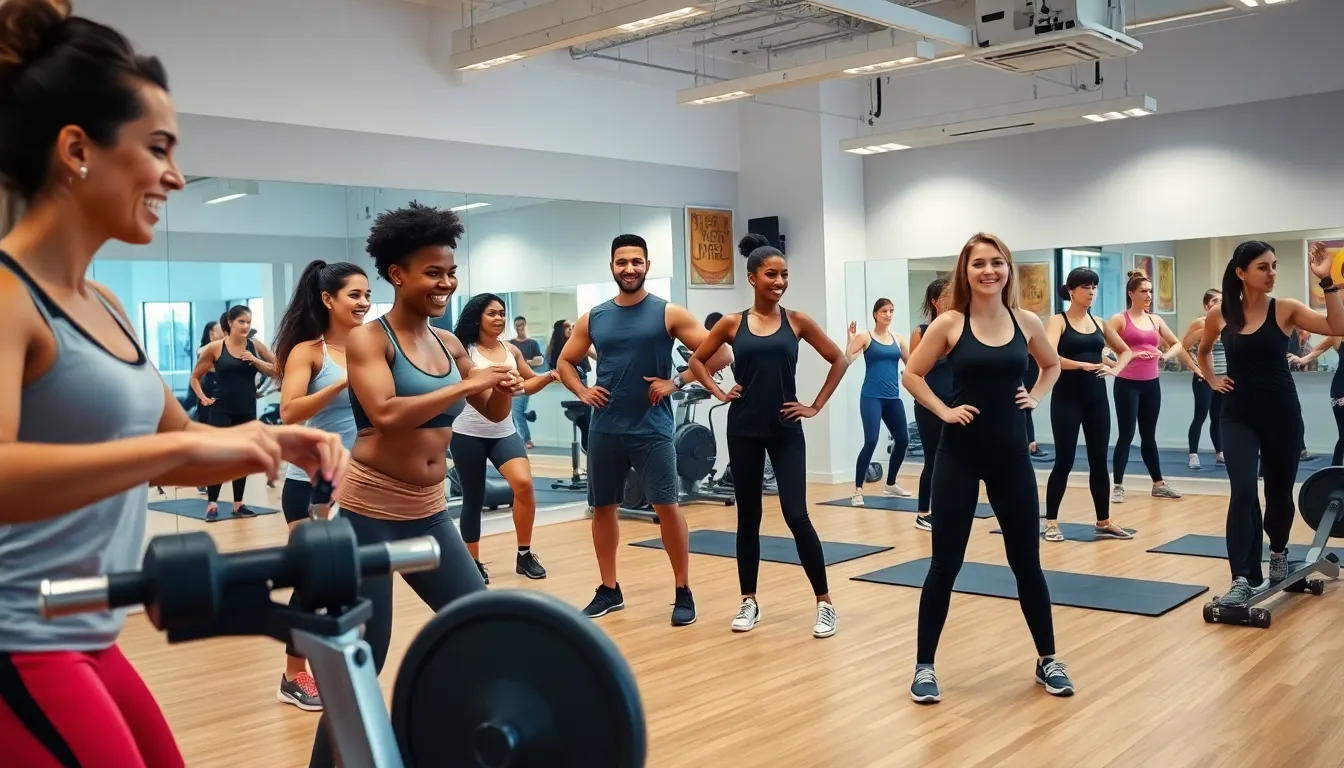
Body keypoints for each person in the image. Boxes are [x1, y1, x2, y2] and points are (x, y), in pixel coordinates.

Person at [0, 3, 347, 764]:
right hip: (17, 637)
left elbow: (176, 445)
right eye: (158, 148)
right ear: (76, 150)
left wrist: (271, 441)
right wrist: (159, 457)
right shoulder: (6, 298)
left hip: (92, 629)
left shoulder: (107, 305)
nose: (175, 175)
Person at [306, 201, 519, 767]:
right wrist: (464, 386)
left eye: (450, 271)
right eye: (433, 272)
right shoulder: (368, 339)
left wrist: (505, 382)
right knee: (367, 657)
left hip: (428, 511)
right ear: (397, 275)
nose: (445, 282)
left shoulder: (450, 344)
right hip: (370, 512)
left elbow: (492, 414)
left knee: (479, 626)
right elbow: (386, 412)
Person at [900, 232, 1070, 704]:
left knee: (1027, 564)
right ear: (966, 271)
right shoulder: (950, 323)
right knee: (944, 565)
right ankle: (924, 667)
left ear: (1008, 269)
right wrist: (942, 409)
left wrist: (1034, 396)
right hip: (958, 456)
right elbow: (911, 374)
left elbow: (1051, 366)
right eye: (979, 264)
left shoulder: (1027, 320)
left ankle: (1048, 659)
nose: (989, 271)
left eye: (997, 263)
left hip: (1011, 457)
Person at [555, 233, 729, 626]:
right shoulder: (594, 317)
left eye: (636, 262)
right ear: (612, 267)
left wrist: (677, 381)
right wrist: (582, 390)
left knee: (667, 507)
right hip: (605, 429)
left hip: (651, 428)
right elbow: (565, 362)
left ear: (647, 266)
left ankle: (683, 591)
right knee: (603, 508)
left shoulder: (669, 313)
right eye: (622, 262)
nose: (629, 268)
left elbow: (721, 352)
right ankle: (608, 589)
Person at [689, 233, 848, 637]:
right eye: (771, 275)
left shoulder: (797, 321)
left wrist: (814, 406)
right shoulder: (731, 323)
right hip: (743, 429)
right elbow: (698, 359)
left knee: (797, 515)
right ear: (752, 278)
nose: (779, 282)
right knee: (750, 517)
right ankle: (749, 601)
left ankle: (825, 602)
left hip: (785, 431)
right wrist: (720, 391)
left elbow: (839, 359)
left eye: (784, 275)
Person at [1200, 240, 1344, 605]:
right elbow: (1202, 351)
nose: (1272, 273)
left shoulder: (1286, 309)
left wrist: (1328, 282)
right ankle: (1242, 577)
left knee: (1278, 494)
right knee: (1244, 490)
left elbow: (1337, 325)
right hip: (1237, 415)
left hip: (1281, 414)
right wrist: (1212, 378)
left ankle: (1278, 556)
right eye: (1263, 267)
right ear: (1241, 272)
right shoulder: (1221, 314)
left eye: (1274, 266)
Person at [269, 259, 371, 712]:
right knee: (314, 577)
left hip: (364, 484)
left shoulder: (375, 344)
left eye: (368, 295)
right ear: (329, 300)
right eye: (355, 295)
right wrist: (343, 382)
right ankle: (294, 674)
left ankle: (337, 663)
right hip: (311, 484)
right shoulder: (309, 352)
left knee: (353, 580)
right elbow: (289, 412)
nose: (364, 303)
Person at [452, 293, 559, 583]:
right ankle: (472, 561)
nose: (499, 318)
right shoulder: (463, 350)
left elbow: (527, 382)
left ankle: (524, 554)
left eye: (502, 313)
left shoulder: (511, 350)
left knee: (524, 485)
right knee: (473, 498)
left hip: (504, 432)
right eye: (492, 313)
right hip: (467, 432)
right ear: (477, 317)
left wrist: (549, 376)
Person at [1042, 268, 1134, 542]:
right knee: (1065, 461)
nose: (1091, 291)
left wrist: (1116, 370)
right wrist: (1080, 364)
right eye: (1085, 286)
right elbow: (1048, 356)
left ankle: (1103, 521)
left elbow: (1125, 351)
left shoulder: (1100, 322)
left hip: (1096, 400)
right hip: (1066, 399)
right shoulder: (1058, 321)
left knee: (1098, 461)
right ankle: (1051, 522)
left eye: (1094, 286)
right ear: (1071, 290)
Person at [1106, 271, 1197, 504]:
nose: (1148, 296)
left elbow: (1177, 344)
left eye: (1150, 291)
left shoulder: (1155, 320)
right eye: (1143, 291)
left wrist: (1164, 356)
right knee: (1126, 435)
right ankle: (1117, 485)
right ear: (1131, 294)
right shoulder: (1119, 319)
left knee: (1149, 436)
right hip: (1127, 385)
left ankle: (1158, 484)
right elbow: (1100, 348)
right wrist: (1123, 360)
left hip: (1151, 385)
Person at [190, 304, 278, 520]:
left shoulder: (255, 346)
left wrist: (255, 361)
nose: (246, 326)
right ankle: (212, 504)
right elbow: (195, 377)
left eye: (248, 322)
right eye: (241, 321)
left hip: (246, 408)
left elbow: (277, 369)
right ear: (230, 322)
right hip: (221, 409)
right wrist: (202, 397)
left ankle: (238, 504)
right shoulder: (215, 347)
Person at [845, 298, 911, 505]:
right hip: (871, 397)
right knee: (871, 441)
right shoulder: (866, 336)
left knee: (903, 439)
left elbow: (913, 363)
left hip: (893, 398)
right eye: (884, 311)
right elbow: (848, 359)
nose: (888, 315)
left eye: (891, 311)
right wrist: (850, 339)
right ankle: (857, 490)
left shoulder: (898, 339)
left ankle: (890, 484)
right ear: (875, 314)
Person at [908, 277, 952, 532]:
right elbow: (914, 373)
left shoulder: (959, 330)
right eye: (947, 296)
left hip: (954, 407)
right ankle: (924, 512)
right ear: (935, 302)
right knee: (933, 459)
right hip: (928, 407)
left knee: (954, 460)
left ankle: (947, 508)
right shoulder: (922, 332)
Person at [1179, 289, 1227, 470]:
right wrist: (1196, 368)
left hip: (1222, 377)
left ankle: (1220, 453)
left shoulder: (1227, 323)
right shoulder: (1201, 323)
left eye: (1222, 300)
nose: (1219, 304)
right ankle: (1193, 455)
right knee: (1200, 416)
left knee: (1218, 417)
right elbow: (1183, 347)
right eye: (1215, 301)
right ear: (1207, 305)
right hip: (1204, 378)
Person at [547, 318, 594, 451]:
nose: (571, 329)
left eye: (573, 327)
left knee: (588, 425)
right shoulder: (557, 353)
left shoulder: (580, 347)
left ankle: (588, 449)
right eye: (568, 327)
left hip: (582, 394)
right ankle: (587, 448)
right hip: (569, 395)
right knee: (586, 424)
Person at [510, 315, 544, 449]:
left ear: (526, 325)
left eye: (522, 324)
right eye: (517, 325)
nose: (520, 327)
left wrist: (521, 362)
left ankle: (526, 439)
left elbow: (539, 360)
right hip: (510, 381)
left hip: (524, 381)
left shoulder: (532, 344)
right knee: (511, 413)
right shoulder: (510, 344)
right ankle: (517, 440)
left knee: (517, 411)